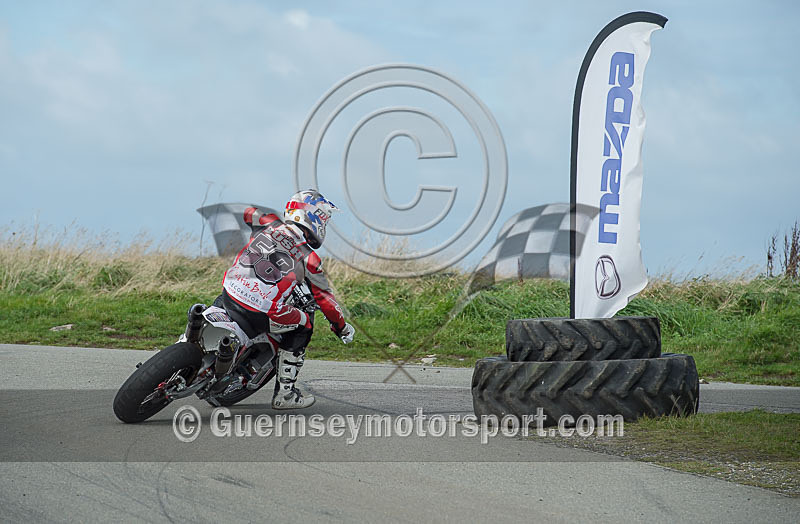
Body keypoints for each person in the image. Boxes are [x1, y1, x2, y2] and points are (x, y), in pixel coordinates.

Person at [218, 189, 355, 409]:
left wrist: (259, 219)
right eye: (323, 220)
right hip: (261, 308)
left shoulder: (269, 223)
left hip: (231, 288)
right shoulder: (310, 259)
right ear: (313, 218)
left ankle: (188, 341)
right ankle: (286, 394)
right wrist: (341, 327)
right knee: (305, 324)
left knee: (222, 299)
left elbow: (248, 212)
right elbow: (326, 301)